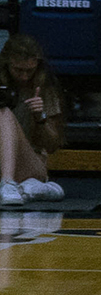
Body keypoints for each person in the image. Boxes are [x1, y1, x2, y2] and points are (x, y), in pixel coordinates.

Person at [0, 35, 66, 207]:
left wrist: (40, 116)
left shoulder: (44, 87)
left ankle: (8, 182)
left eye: (29, 71)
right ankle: (29, 189)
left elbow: (52, 146)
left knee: (4, 113)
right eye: (18, 70)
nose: (24, 76)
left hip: (30, 161)